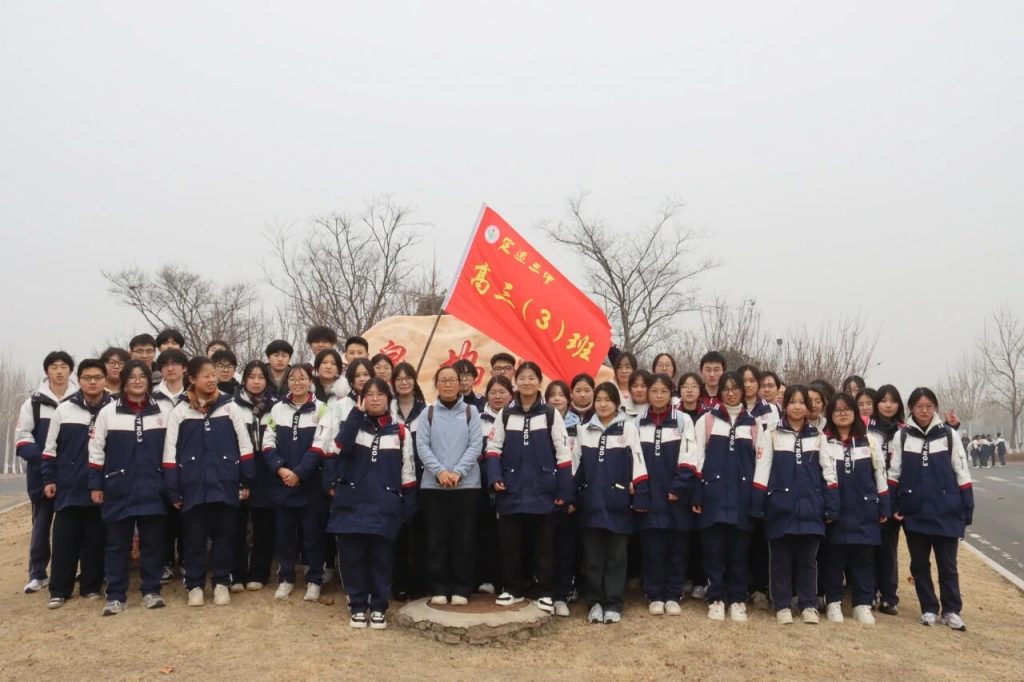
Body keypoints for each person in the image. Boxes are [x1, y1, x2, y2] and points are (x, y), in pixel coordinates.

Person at [163, 357, 255, 607]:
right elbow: (170, 452)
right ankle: (194, 585)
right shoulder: (180, 411)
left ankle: (222, 582)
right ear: (192, 379)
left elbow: (245, 445)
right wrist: (173, 489)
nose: (212, 379)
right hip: (192, 486)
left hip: (225, 483)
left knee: (225, 536)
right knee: (194, 539)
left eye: (213, 374)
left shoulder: (230, 407)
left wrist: (246, 480)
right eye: (206, 375)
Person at [325, 378, 417, 629]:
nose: (375, 399)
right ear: (361, 399)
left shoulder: (400, 431)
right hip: (351, 504)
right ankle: (357, 605)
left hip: (384, 506)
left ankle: (378, 606)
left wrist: (407, 506)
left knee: (381, 560)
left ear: (389, 398)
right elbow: (338, 449)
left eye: (380, 394)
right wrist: (356, 415)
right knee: (352, 558)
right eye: (369, 394)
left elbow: (408, 472)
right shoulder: (352, 425)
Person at [484, 362, 573, 612]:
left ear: (539, 382)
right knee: (510, 543)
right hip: (511, 489)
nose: (526, 382)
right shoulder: (506, 414)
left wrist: (564, 490)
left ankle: (544, 591)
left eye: (531, 378)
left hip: (543, 489)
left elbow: (563, 452)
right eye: (522, 378)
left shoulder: (550, 414)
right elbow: (493, 448)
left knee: (544, 545)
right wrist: (495, 477)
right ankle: (512, 589)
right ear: (516, 381)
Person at [752, 385, 838, 625]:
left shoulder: (818, 436)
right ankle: (781, 604)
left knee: (808, 560)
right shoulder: (771, 433)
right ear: (785, 405)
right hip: (780, 506)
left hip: (811, 507)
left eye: (802, 402)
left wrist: (831, 505)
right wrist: (758, 504)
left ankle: (808, 604)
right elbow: (762, 470)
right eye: (793, 402)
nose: (797, 407)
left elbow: (829, 473)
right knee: (780, 559)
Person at [888, 387, 973, 631]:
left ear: (935, 407)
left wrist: (967, 507)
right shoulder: (902, 437)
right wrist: (894, 504)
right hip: (915, 512)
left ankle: (951, 610)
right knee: (919, 564)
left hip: (946, 511)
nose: (924, 411)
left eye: (928, 406)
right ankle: (928, 608)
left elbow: (961, 472)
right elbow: (894, 473)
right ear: (911, 409)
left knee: (948, 565)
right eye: (919, 406)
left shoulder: (948, 434)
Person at [88, 360, 168, 615]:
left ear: (148, 381)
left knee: (153, 543)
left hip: (153, 487)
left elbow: (171, 450)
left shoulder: (162, 411)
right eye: (131, 377)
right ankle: (115, 595)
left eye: (142, 376)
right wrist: (96, 484)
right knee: (116, 545)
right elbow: (95, 451)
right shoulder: (108, 413)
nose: (137, 381)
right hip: (118, 488)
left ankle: (152, 590)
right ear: (123, 382)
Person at [682, 371, 759, 622]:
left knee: (739, 553)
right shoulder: (706, 421)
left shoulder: (754, 425)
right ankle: (715, 598)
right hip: (712, 497)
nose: (731, 393)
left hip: (742, 498)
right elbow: (696, 459)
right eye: (726, 388)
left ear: (743, 391)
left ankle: (737, 599)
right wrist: (697, 494)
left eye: (735, 388)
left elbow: (760, 464)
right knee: (713, 551)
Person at [574, 382, 649, 624]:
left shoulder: (628, 428)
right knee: (592, 557)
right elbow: (575, 466)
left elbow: (638, 463)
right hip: (591, 503)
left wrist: (640, 494)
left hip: (619, 502)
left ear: (617, 403)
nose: (603, 404)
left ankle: (614, 603)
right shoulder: (583, 429)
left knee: (617, 557)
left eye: (608, 399)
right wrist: (571, 496)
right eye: (599, 399)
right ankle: (594, 603)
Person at [40, 359, 112, 609]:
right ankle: (59, 590)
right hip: (69, 487)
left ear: (105, 380)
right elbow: (50, 449)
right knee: (64, 541)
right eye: (87, 378)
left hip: (100, 488)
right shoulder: (64, 410)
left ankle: (91, 587)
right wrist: (49, 479)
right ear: (78, 380)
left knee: (95, 540)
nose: (92, 382)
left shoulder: (113, 408)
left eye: (97, 377)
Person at [416, 366, 484, 605]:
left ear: (460, 383)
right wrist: (440, 472)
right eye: (443, 380)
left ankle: (461, 587)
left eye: (452, 380)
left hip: (466, 485)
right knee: (436, 537)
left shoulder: (471, 412)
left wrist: (457, 472)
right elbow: (422, 446)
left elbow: (476, 445)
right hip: (433, 486)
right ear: (436, 384)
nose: (447, 384)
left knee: (464, 538)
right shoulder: (427, 413)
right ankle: (438, 586)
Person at [263, 364, 330, 602]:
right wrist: (281, 469)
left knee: (313, 535)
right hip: (283, 483)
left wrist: (299, 473)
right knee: (284, 535)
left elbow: (320, 445)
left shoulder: (322, 409)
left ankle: (315, 579)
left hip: (311, 484)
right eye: (293, 379)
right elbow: (267, 442)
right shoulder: (277, 409)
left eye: (302, 378)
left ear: (310, 381)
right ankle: (286, 577)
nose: (297, 383)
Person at [821, 392, 889, 626]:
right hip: (836, 511)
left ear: (855, 412)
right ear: (830, 414)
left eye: (847, 409)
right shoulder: (824, 441)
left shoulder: (869, 441)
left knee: (864, 560)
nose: (842, 414)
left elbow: (880, 474)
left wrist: (884, 504)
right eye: (837, 410)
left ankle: (862, 604)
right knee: (833, 559)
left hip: (864, 509)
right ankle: (833, 602)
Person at [635, 374, 694, 617]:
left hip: (675, 497)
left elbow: (690, 455)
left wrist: (678, 487)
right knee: (652, 549)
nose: (658, 396)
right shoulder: (637, 422)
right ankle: (654, 594)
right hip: (649, 495)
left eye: (663, 391)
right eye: (654, 391)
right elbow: (634, 458)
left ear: (671, 394)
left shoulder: (682, 420)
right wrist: (640, 489)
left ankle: (673, 594)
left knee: (677, 549)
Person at [15, 350, 74, 593]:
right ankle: (37, 573)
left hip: (73, 476)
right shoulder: (34, 403)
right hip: (41, 475)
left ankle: (75, 569)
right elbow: (22, 439)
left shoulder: (79, 400)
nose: (59, 371)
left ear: (71, 371)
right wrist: (45, 459)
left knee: (74, 525)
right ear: (47, 371)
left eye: (64, 367)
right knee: (41, 525)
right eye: (54, 367)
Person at [231, 361, 279, 592]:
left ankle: (259, 572)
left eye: (261, 377)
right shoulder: (232, 405)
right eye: (251, 377)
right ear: (244, 380)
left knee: (264, 524)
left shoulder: (276, 406)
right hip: (239, 465)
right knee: (236, 524)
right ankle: (236, 573)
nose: (256, 381)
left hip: (266, 468)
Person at [390, 361, 428, 601]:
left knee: (422, 531)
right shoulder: (388, 409)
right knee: (399, 533)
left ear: (415, 381)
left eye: (408, 378)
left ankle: (422, 582)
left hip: (425, 478)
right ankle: (400, 583)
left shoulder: (428, 410)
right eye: (399, 379)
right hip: (395, 478)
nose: (404, 382)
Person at [152, 347, 189, 585]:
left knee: (187, 515)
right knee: (162, 515)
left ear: (185, 368)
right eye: (165, 364)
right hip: (160, 462)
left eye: (175, 363)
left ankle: (186, 560)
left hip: (189, 463)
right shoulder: (153, 397)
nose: (170, 368)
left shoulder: (195, 394)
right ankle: (165, 561)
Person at [546, 380, 582, 617]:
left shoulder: (580, 426)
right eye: (552, 395)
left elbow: (581, 464)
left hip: (569, 496)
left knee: (566, 548)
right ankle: (546, 593)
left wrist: (570, 495)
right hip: (544, 496)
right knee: (545, 549)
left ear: (569, 399)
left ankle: (562, 594)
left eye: (561, 395)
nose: (557, 399)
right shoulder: (540, 422)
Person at [869, 383, 905, 615]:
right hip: (870, 496)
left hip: (894, 498)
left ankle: (889, 596)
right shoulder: (866, 429)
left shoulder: (905, 431)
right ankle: (870, 591)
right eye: (883, 400)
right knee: (869, 547)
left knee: (889, 549)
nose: (888, 405)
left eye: (892, 401)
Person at [476, 374, 514, 597]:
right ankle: (487, 578)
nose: (498, 396)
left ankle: (510, 581)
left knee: (509, 535)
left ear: (511, 394)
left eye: (502, 392)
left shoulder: (517, 417)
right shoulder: (477, 418)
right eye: (493, 392)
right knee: (486, 532)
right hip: (482, 484)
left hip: (512, 483)